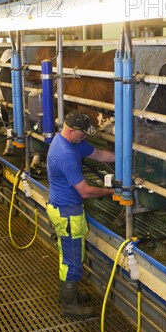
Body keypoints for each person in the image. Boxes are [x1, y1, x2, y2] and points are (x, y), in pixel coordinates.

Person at [46, 110, 115, 318]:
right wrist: (110, 192)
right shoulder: (65, 154)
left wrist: (126, 154)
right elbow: (85, 191)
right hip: (67, 212)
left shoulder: (72, 142)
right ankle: (69, 306)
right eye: (83, 133)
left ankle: (69, 295)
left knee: (70, 255)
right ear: (71, 130)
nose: (85, 136)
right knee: (72, 259)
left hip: (65, 208)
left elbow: (99, 154)